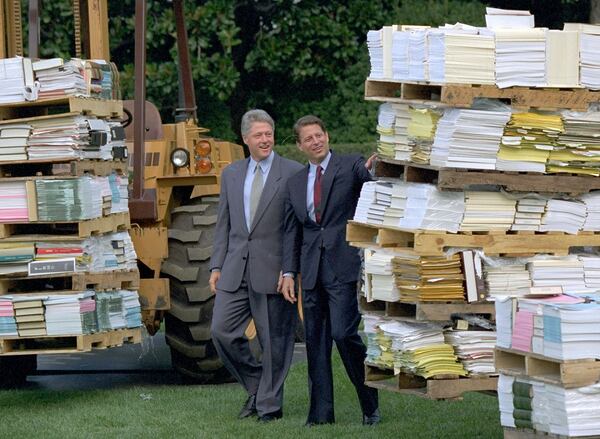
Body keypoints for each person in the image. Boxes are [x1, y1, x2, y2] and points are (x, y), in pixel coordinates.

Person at [281, 115, 380, 426]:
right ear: (300, 146)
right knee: (316, 342)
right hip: (310, 272)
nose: (316, 141)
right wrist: (288, 272)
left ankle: (370, 405)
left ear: (327, 135)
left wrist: (375, 171)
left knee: (343, 333)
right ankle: (321, 415)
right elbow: (292, 232)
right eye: (308, 138)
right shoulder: (295, 183)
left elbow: (370, 184)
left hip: (343, 265)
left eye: (319, 135)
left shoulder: (350, 166)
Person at [209, 109, 303, 422]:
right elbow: (223, 224)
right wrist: (216, 266)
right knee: (221, 331)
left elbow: (295, 228)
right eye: (258, 135)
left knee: (275, 343)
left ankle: (269, 407)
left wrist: (289, 269)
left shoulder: (292, 172)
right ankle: (257, 385)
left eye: (268, 134)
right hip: (235, 268)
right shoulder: (231, 174)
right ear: (245, 139)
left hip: (275, 272)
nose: (265, 139)